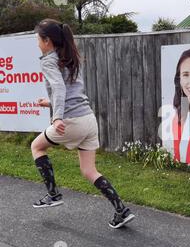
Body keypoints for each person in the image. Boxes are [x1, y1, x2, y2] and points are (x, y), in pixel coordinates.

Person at [31, 19, 135, 229]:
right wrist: (49, 103)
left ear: (47, 41)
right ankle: (121, 211)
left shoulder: (48, 60)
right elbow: (71, 92)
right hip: (88, 119)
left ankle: (53, 194)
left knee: (36, 146)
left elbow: (60, 89)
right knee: (89, 170)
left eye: (38, 39)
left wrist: (56, 116)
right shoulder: (69, 58)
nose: (37, 42)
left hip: (70, 120)